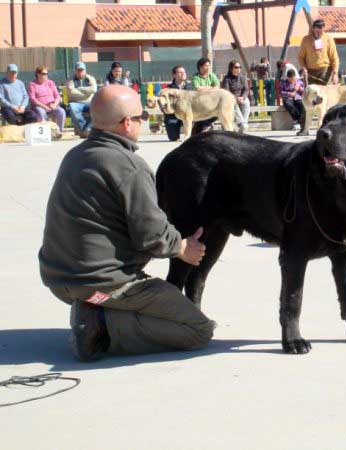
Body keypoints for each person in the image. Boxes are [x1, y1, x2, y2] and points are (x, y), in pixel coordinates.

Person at [38, 84, 216, 362]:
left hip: (59, 280)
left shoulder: (76, 155)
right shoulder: (128, 165)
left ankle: (97, 308)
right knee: (198, 329)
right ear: (127, 123)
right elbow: (151, 235)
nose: (143, 121)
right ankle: (100, 327)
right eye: (141, 116)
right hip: (99, 285)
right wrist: (182, 247)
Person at [298, 18, 340, 85]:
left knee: (326, 94)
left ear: (324, 29)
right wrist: (303, 68)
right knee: (311, 94)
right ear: (313, 29)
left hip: (325, 71)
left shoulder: (328, 39)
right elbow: (300, 57)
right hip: (310, 72)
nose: (319, 34)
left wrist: (335, 74)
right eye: (317, 31)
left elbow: (334, 58)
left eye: (321, 32)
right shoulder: (305, 40)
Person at [27, 66, 66, 131]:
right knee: (41, 112)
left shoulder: (50, 82)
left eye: (47, 74)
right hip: (39, 106)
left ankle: (59, 131)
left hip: (51, 105)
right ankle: (45, 133)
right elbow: (32, 98)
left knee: (61, 111)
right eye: (44, 74)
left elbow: (57, 96)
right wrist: (44, 107)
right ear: (38, 74)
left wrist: (55, 105)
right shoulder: (32, 84)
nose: (46, 75)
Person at [66, 61, 97, 138]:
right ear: (75, 71)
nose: (80, 72)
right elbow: (71, 91)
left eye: (82, 70)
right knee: (72, 108)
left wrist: (80, 89)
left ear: (85, 70)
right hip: (75, 103)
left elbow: (93, 89)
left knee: (98, 109)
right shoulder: (71, 79)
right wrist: (86, 93)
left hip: (89, 102)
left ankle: (86, 129)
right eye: (78, 70)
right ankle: (85, 129)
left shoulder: (90, 78)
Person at [164, 65, 193, 141]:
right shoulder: (169, 89)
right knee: (173, 138)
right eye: (180, 72)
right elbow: (163, 106)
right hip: (173, 116)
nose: (183, 74)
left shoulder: (190, 88)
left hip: (188, 116)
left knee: (193, 138)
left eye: (184, 72)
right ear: (174, 75)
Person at [191, 58, 219, 133]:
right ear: (200, 67)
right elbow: (197, 89)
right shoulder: (195, 77)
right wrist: (210, 87)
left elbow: (217, 87)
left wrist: (205, 89)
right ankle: (203, 127)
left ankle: (206, 125)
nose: (208, 67)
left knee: (218, 111)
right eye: (206, 66)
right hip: (199, 101)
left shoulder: (212, 75)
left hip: (211, 100)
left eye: (209, 65)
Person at [221, 60, 250, 133]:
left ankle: (243, 125)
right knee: (233, 103)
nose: (239, 69)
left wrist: (242, 97)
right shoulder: (226, 79)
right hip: (230, 99)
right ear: (231, 69)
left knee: (246, 102)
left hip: (241, 98)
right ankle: (242, 124)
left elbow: (246, 90)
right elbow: (226, 91)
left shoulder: (243, 78)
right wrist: (235, 98)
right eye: (236, 67)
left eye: (240, 67)